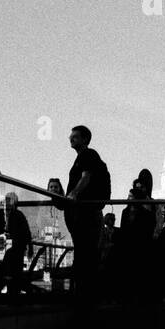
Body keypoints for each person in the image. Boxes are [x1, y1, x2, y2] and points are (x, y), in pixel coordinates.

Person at [64, 125, 110, 305]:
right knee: (86, 254)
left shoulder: (88, 155)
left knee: (86, 254)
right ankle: (86, 295)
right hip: (85, 213)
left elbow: (86, 177)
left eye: (75, 136)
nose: (71, 138)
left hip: (86, 213)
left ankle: (85, 296)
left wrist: (74, 194)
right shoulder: (84, 157)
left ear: (85, 139)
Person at [0, 192, 32, 296]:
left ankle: (8, 293)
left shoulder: (8, 214)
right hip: (10, 248)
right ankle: (12, 294)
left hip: (12, 248)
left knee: (7, 272)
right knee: (9, 272)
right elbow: (26, 232)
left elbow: (26, 232)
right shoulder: (16, 214)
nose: (7, 202)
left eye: (9, 200)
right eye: (6, 199)